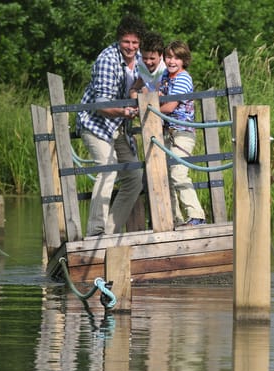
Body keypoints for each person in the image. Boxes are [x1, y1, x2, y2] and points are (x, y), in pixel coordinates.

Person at [76, 14, 145, 236]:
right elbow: (100, 106)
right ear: (119, 40)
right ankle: (95, 231)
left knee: (135, 178)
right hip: (96, 123)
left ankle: (110, 232)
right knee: (108, 169)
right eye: (126, 42)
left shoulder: (143, 59)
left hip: (119, 126)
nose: (131, 47)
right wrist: (125, 111)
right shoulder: (107, 59)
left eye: (135, 42)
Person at [158, 40, 206, 226]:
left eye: (177, 58)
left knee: (178, 174)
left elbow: (169, 106)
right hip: (167, 132)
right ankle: (174, 218)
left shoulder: (183, 78)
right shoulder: (165, 75)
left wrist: (150, 105)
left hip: (183, 133)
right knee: (166, 176)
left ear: (184, 60)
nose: (172, 61)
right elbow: (158, 93)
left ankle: (197, 215)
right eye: (169, 57)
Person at [129, 30, 166, 98]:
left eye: (152, 58)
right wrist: (133, 90)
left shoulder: (165, 69)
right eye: (145, 58)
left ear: (161, 55)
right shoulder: (141, 62)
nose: (148, 62)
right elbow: (141, 79)